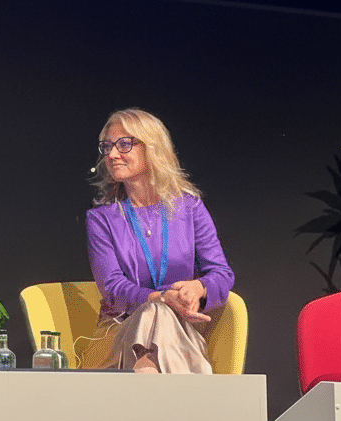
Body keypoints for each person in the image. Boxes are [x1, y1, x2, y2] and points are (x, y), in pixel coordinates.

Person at [81, 108, 235, 373]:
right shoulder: (101, 218)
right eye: (107, 146)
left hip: (180, 330)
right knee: (156, 311)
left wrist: (199, 288)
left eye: (124, 144)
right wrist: (161, 299)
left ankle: (147, 384)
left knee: (161, 316)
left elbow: (221, 273)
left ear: (151, 148)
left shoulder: (190, 208)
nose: (112, 154)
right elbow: (114, 289)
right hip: (120, 332)